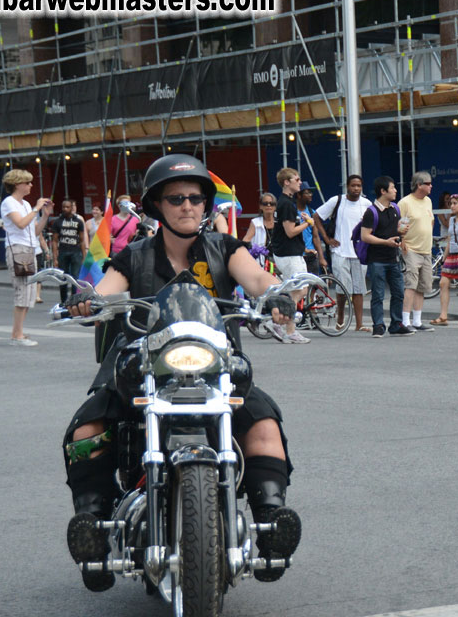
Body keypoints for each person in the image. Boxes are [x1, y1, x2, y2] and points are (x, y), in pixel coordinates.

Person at [61, 153, 298, 591]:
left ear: (206, 204)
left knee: (264, 424)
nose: (187, 206)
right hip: (144, 366)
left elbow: (256, 279)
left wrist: (277, 294)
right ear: (157, 205)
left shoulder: (226, 248)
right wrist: (87, 300)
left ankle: (270, 526)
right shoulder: (134, 256)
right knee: (86, 430)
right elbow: (105, 291)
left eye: (195, 198)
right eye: (176, 198)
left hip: (214, 365)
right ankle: (94, 531)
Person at [313, 174, 373, 333]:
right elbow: (317, 216)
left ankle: (359, 324)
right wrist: (326, 238)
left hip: (359, 253)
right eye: (353, 185)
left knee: (359, 289)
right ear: (347, 186)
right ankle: (340, 319)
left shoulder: (367, 204)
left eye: (359, 186)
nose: (356, 189)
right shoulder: (337, 201)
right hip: (340, 252)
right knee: (342, 289)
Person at [0, 169, 52, 346]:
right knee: (22, 291)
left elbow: (35, 231)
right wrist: (36, 208)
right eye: (27, 182)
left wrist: (44, 216)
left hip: (29, 248)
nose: (30, 185)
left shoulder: (26, 204)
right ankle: (16, 335)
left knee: (29, 292)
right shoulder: (9, 202)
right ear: (17, 184)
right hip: (17, 248)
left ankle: (19, 331)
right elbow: (21, 224)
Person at [359, 175, 414, 337]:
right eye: (392, 188)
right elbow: (365, 236)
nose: (395, 190)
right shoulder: (371, 212)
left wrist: (401, 233)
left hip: (393, 258)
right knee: (378, 294)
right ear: (383, 191)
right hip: (377, 259)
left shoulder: (395, 208)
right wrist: (385, 242)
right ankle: (378, 325)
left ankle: (396, 324)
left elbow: (394, 230)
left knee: (399, 293)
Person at [271, 167, 312, 344]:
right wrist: (308, 223)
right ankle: (287, 328)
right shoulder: (286, 204)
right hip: (289, 253)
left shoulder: (286, 202)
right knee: (299, 290)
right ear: (287, 182)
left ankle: (279, 322)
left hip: (289, 252)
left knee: (296, 290)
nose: (300, 182)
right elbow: (290, 232)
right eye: (297, 179)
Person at [396, 170, 436, 331]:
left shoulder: (428, 201)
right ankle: (405, 320)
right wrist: (402, 240)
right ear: (419, 185)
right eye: (428, 183)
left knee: (422, 286)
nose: (431, 186)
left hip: (426, 249)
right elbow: (399, 224)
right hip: (411, 248)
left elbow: (431, 221)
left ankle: (417, 321)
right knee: (411, 285)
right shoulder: (405, 203)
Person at [431, 193, 458, 326]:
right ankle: (443, 316)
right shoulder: (451, 220)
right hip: (452, 255)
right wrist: (444, 259)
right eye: (450, 203)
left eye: (455, 203)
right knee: (443, 283)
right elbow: (450, 240)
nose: (451, 206)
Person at [48, 198, 89, 304]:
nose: (65, 209)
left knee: (75, 278)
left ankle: (74, 300)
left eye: (67, 207)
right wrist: (55, 258)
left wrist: (84, 256)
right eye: (63, 207)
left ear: (72, 208)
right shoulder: (57, 222)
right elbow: (55, 241)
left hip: (76, 252)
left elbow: (82, 240)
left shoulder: (78, 222)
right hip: (63, 252)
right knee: (63, 277)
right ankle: (63, 301)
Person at [294, 185, 322, 275]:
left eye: (311, 193)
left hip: (311, 255)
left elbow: (316, 237)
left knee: (313, 282)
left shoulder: (312, 212)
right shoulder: (292, 212)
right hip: (296, 255)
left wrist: (321, 257)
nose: (310, 195)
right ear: (299, 195)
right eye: (307, 193)